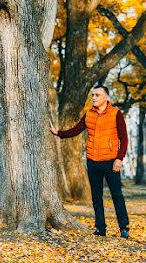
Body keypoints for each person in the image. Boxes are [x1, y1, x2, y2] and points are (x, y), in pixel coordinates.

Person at [49, 85, 129, 238]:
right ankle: (100, 228)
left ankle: (124, 228)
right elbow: (76, 130)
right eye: (93, 95)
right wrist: (58, 133)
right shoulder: (89, 114)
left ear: (107, 98)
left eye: (98, 95)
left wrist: (119, 158)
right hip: (92, 161)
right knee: (96, 197)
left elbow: (124, 139)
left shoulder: (116, 114)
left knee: (116, 195)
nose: (94, 98)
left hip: (111, 161)